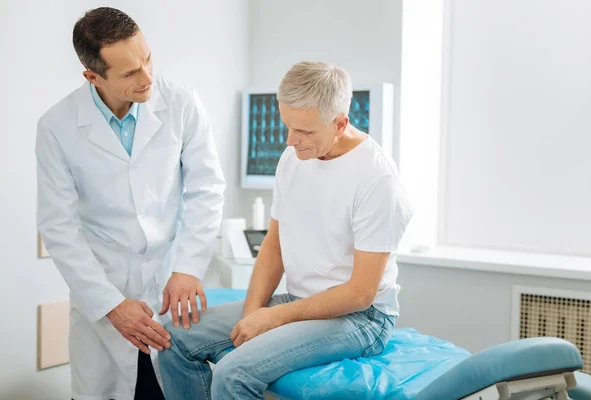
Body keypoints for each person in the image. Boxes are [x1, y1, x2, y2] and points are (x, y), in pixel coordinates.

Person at [158, 61, 414, 399]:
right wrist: (253, 314)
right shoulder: (293, 158)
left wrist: (274, 318)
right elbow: (274, 247)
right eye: (287, 126)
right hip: (300, 299)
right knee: (173, 338)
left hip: (360, 318)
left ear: (340, 123)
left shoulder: (377, 180)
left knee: (233, 373)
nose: (291, 141)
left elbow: (360, 293)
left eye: (305, 132)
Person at [35, 7, 225, 400]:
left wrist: (188, 268)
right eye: (129, 73)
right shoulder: (57, 126)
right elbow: (59, 227)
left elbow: (207, 188)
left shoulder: (182, 104)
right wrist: (111, 304)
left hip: (170, 285)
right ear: (92, 77)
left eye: (148, 59)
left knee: (169, 388)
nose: (147, 77)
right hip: (103, 292)